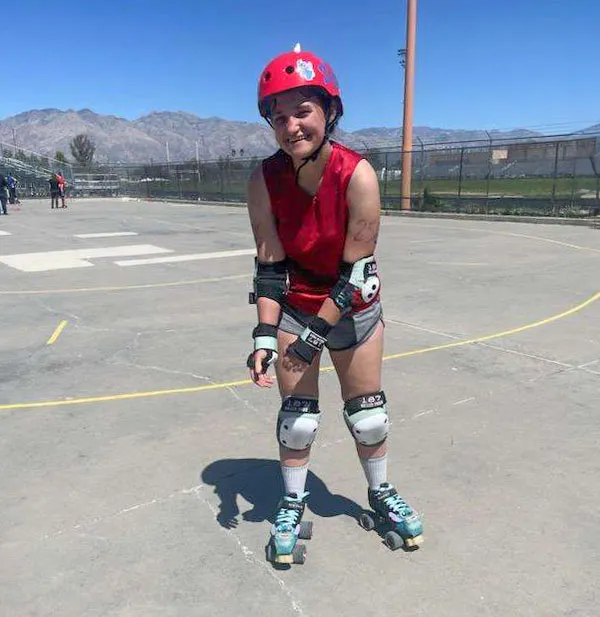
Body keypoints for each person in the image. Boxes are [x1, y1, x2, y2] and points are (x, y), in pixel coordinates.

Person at [245, 44, 423, 557]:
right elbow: (269, 264)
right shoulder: (262, 180)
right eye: (278, 116)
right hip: (297, 303)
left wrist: (309, 340)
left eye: (302, 111)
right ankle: (293, 500)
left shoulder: (357, 174)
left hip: (352, 306)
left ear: (330, 111)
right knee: (297, 419)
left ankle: (381, 491)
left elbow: (357, 276)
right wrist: (263, 335)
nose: (290, 126)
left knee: (368, 416)